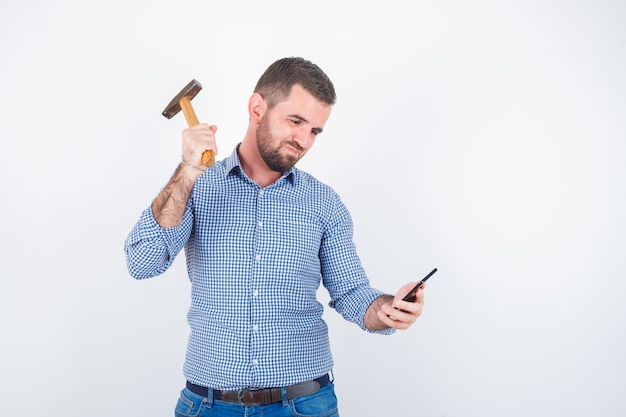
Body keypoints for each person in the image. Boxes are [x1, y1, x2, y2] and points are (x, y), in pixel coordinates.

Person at [124, 57, 426, 417]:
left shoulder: (324, 203)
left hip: (304, 405)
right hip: (208, 406)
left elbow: (352, 293)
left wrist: (388, 310)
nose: (303, 140)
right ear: (257, 108)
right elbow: (142, 263)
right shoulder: (198, 187)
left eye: (315, 131)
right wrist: (188, 170)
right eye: (295, 121)